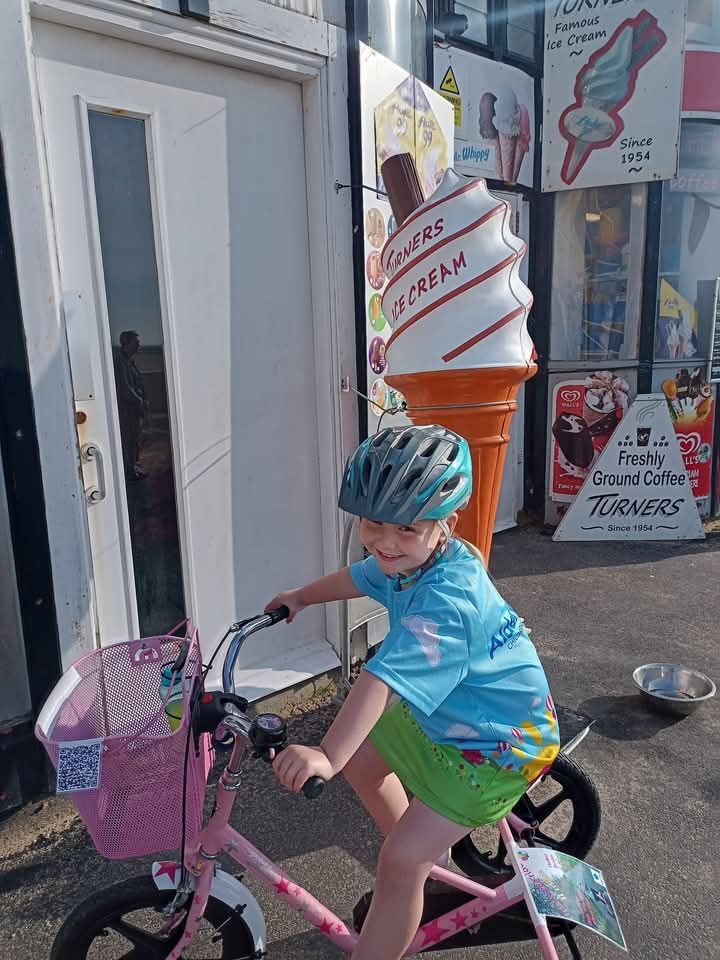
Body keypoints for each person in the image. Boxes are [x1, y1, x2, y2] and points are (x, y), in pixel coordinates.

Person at [266, 424, 561, 960]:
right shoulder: (409, 562)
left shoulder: (446, 603)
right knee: (365, 764)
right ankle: (432, 865)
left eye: (405, 527)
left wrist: (325, 752)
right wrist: (302, 597)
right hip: (459, 713)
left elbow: (380, 681)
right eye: (373, 522)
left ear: (447, 521)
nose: (384, 541)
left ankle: (412, 871)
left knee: (397, 862)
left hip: (499, 746)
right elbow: (360, 577)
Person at [113, 330, 148, 481]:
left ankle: (134, 466)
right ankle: (129, 471)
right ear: (126, 343)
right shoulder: (120, 361)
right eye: (136, 342)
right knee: (128, 440)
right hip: (127, 410)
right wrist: (138, 400)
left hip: (133, 410)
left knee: (135, 439)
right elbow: (124, 388)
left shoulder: (128, 361)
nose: (139, 344)